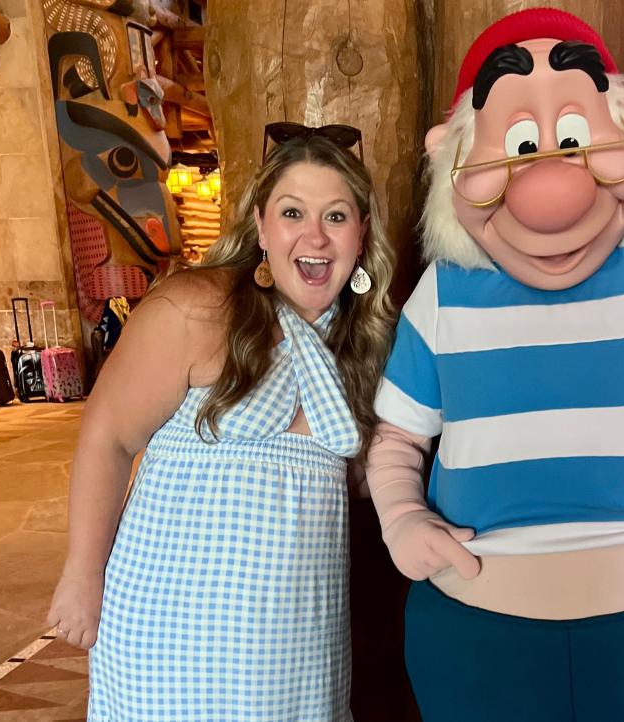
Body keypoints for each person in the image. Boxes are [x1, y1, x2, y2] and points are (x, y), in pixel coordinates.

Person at [365, 9, 624, 721]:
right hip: (478, 637)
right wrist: (401, 517)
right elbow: (397, 439)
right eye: (521, 147)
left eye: (572, 140)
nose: (551, 193)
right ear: (455, 158)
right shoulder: (442, 293)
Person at [46, 129, 396, 721]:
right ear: (261, 227)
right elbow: (108, 437)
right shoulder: (197, 307)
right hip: (173, 631)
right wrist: (82, 574)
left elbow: (361, 481)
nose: (314, 236)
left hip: (299, 642)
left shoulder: (361, 344)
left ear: (360, 235)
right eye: (293, 213)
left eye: (335, 216)